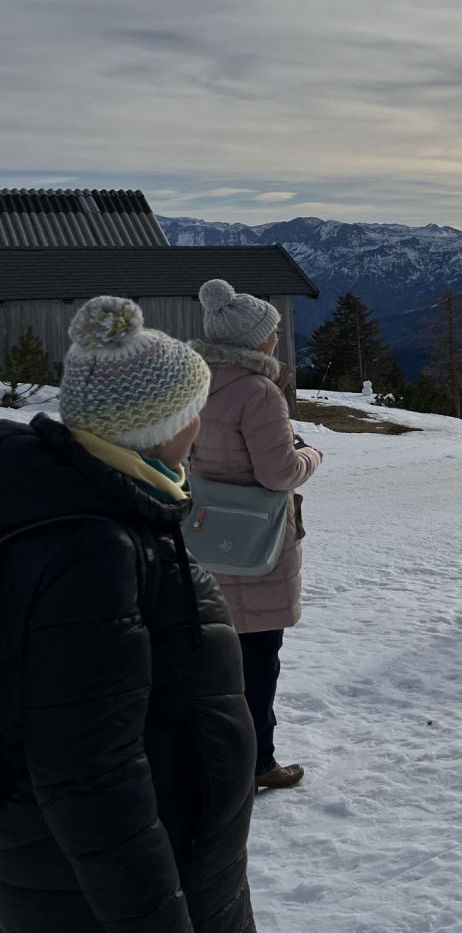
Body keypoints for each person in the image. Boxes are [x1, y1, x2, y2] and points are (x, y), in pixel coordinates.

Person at [0, 296, 256, 933]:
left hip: (144, 863)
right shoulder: (94, 551)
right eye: (193, 413)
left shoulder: (111, 509)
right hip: (108, 891)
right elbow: (91, 776)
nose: (200, 427)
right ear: (165, 426)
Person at [189, 279, 323, 791]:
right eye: (272, 330)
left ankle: (204, 749)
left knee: (212, 653)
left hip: (202, 532)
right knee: (258, 659)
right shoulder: (258, 392)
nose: (277, 336)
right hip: (255, 537)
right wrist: (311, 454)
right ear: (253, 340)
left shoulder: (197, 382)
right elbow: (279, 474)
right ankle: (256, 762)